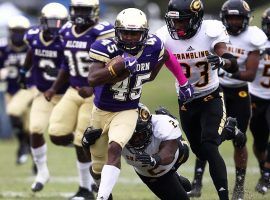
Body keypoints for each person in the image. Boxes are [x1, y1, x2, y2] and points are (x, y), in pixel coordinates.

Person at [85, 7, 193, 200]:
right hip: (101, 110)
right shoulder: (105, 47)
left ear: (144, 34)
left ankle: (100, 198)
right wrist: (116, 69)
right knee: (98, 168)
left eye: (135, 34)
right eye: (125, 33)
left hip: (128, 109)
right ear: (117, 32)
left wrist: (183, 82)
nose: (129, 38)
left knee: (115, 147)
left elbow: (165, 57)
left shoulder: (153, 46)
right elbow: (92, 79)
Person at [155, 0, 248, 199]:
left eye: (183, 21)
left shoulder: (210, 31)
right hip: (186, 102)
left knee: (209, 146)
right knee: (200, 151)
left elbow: (233, 64)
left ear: (196, 19)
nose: (177, 26)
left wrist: (222, 61)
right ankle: (229, 130)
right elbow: (151, 65)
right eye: (174, 21)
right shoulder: (163, 35)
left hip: (211, 96)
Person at [187, 1, 267, 199]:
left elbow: (249, 75)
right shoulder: (214, 32)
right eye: (230, 17)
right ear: (223, 18)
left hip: (239, 93)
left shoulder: (254, 38)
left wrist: (225, 66)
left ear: (246, 19)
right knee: (206, 137)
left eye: (238, 18)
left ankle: (239, 188)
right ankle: (197, 183)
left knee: (241, 142)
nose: (234, 22)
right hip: (216, 90)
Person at [43, 0, 114, 199]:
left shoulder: (102, 32)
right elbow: (67, 65)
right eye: (78, 9)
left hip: (95, 94)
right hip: (73, 91)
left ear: (95, 11)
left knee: (79, 141)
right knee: (56, 134)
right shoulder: (66, 30)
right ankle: (88, 146)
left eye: (85, 10)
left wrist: (92, 86)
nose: (80, 14)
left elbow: (114, 67)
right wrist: (54, 88)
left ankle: (86, 189)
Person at [20, 2, 69, 192]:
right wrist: (24, 71)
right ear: (42, 21)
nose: (55, 26)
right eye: (51, 22)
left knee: (69, 135)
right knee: (35, 129)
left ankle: (88, 179)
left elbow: (72, 65)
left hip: (66, 94)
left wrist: (58, 71)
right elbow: (32, 51)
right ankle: (42, 172)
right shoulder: (33, 36)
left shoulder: (67, 38)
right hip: (43, 93)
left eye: (59, 22)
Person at [122, 104, 191, 200]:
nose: (137, 140)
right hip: (153, 175)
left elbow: (170, 151)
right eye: (133, 136)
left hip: (176, 158)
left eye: (140, 135)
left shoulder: (160, 123)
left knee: (183, 150)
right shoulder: (116, 136)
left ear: (149, 126)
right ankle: (176, 178)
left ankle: (170, 117)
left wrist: (155, 159)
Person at [0, 15, 33, 163]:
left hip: (28, 89)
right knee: (19, 123)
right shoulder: (3, 48)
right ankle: (24, 147)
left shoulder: (32, 47)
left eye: (21, 31)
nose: (18, 34)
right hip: (11, 89)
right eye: (15, 31)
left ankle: (26, 150)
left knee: (29, 126)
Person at [249, 7, 270, 195]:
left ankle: (267, 175)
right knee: (259, 141)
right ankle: (264, 169)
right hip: (255, 96)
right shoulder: (256, 42)